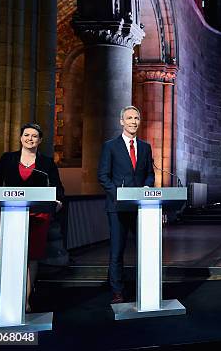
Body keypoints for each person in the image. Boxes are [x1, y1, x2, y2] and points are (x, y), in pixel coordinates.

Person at [0, 123, 64, 312]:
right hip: (10, 216)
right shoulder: (8, 159)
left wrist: (58, 201)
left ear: (40, 140)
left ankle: (24, 302)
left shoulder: (46, 163)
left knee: (31, 258)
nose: (30, 139)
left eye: (34, 136)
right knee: (2, 258)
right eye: (27, 135)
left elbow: (57, 188)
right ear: (21, 138)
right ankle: (1, 303)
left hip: (38, 217)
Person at [97, 106, 155, 304]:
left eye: (136, 118)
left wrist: (147, 187)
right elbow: (103, 176)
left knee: (146, 248)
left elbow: (150, 173)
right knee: (117, 251)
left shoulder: (146, 147)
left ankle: (146, 287)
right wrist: (119, 194)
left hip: (141, 208)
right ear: (121, 121)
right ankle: (117, 291)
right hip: (117, 207)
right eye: (129, 118)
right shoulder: (110, 146)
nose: (133, 121)